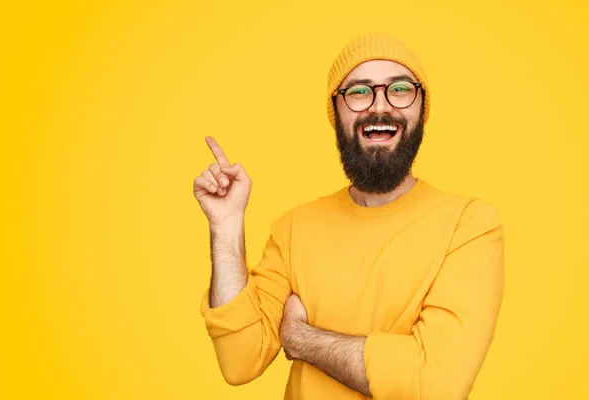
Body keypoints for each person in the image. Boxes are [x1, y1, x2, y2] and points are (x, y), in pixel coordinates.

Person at [194, 32, 504, 399]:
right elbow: (239, 360)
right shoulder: (295, 228)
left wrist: (301, 338)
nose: (379, 106)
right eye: (358, 92)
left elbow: (435, 386)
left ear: (422, 107)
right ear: (336, 112)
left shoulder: (469, 225)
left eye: (400, 89)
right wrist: (226, 227)